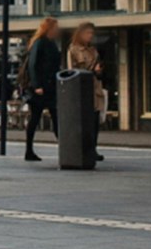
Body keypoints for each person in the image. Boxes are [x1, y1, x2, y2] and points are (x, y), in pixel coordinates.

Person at [21, 17, 62, 162]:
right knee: (37, 118)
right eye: (55, 28)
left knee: (55, 117)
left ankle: (63, 148)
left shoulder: (51, 43)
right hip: (41, 88)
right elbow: (33, 65)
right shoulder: (41, 43)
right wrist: (37, 85)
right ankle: (29, 150)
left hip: (50, 87)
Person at [65, 22, 107, 162]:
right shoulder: (73, 50)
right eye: (88, 33)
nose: (90, 36)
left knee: (94, 122)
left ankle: (93, 148)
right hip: (83, 90)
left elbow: (100, 74)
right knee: (85, 122)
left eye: (92, 33)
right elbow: (73, 72)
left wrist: (99, 71)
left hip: (95, 90)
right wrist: (90, 71)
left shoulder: (94, 51)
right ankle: (84, 149)